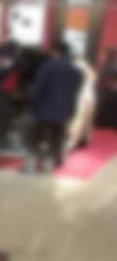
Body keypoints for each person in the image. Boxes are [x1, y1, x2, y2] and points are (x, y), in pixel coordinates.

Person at [27, 40, 82, 173]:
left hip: (43, 110)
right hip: (63, 112)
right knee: (56, 140)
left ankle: (32, 166)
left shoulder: (48, 67)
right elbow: (75, 93)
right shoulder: (75, 71)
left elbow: (38, 89)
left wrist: (32, 106)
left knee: (35, 138)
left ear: (55, 51)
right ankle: (49, 167)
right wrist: (71, 111)